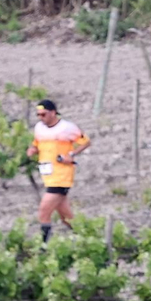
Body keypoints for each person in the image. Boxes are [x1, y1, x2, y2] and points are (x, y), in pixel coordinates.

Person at [24, 99, 90, 243]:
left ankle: (44, 246)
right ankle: (85, 239)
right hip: (48, 175)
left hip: (62, 176)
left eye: (44, 114)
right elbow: (37, 143)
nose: (41, 118)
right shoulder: (39, 128)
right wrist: (32, 150)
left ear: (53, 113)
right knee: (66, 217)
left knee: (43, 211)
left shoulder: (67, 127)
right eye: (38, 115)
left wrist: (71, 155)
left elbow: (85, 142)